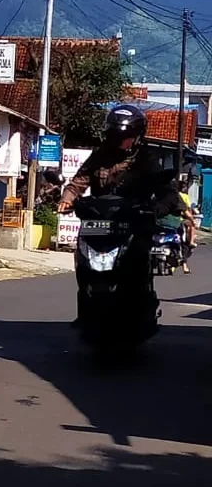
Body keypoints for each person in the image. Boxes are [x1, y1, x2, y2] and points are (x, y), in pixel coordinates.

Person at [57, 104, 182, 326]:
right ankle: (86, 305)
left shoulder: (146, 159)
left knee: (139, 260)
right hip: (99, 223)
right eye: (115, 136)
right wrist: (67, 198)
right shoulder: (100, 156)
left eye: (123, 137)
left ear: (136, 137)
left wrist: (158, 208)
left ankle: (141, 303)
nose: (118, 141)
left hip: (133, 223)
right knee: (83, 260)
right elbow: (79, 181)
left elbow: (165, 190)